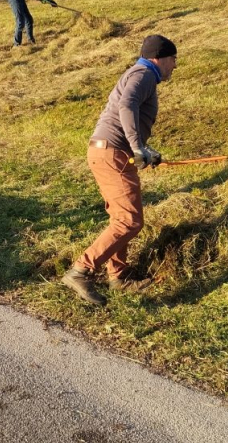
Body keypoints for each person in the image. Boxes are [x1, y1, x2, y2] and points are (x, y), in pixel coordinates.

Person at [61, 34, 178, 306]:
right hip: (112, 152)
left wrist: (144, 149)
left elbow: (128, 111)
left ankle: (119, 277)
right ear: (158, 58)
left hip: (108, 152)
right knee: (130, 221)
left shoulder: (139, 73)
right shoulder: (144, 74)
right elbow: (127, 106)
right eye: (173, 59)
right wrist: (137, 147)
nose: (174, 66)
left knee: (121, 218)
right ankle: (81, 271)